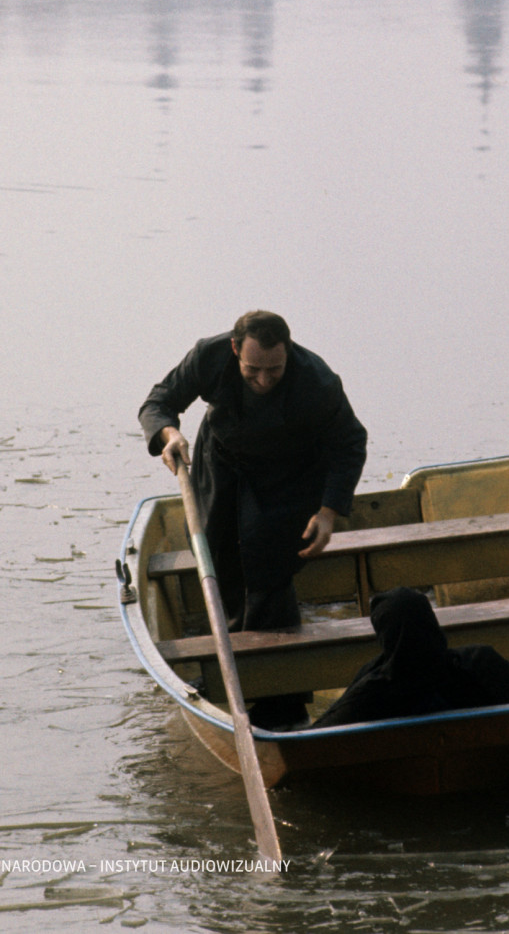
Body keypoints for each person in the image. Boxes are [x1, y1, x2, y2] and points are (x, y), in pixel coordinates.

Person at [138, 311, 367, 728]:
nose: (263, 379)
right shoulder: (209, 356)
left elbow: (350, 443)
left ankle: (284, 701)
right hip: (222, 463)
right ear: (234, 350)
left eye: (274, 370)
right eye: (252, 370)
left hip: (289, 476)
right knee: (217, 558)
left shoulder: (317, 381)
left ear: (288, 353)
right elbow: (158, 402)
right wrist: (169, 434)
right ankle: (236, 672)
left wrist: (328, 512)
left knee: (270, 571)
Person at [312, 586, 509, 727]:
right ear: (432, 623)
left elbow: (316, 738)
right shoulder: (480, 662)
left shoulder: (372, 691)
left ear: (384, 635)